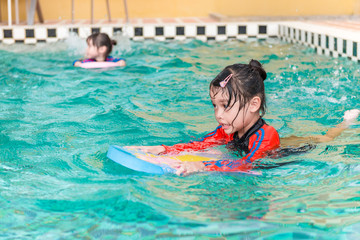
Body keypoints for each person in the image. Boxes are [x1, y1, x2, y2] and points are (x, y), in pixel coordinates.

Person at [133, 60, 360, 176]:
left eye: (225, 106)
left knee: (325, 139)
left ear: (254, 104)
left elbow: (247, 163)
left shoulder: (267, 135)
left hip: (288, 151)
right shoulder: (227, 129)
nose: (218, 114)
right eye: (215, 106)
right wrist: (161, 149)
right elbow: (199, 145)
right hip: (259, 147)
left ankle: (345, 122)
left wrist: (203, 166)